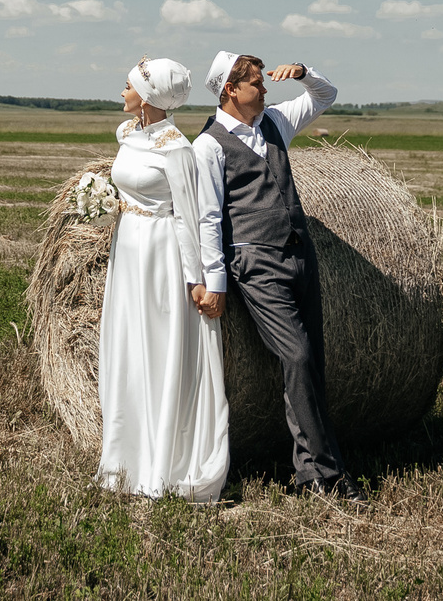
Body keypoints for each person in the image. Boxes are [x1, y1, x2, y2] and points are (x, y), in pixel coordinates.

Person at [192, 50, 364, 502]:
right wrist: (215, 283)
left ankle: (309, 474)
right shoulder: (207, 146)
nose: (265, 89)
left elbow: (326, 96)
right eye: (256, 83)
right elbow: (207, 219)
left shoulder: (274, 122)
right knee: (299, 355)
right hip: (256, 263)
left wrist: (306, 73)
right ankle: (329, 475)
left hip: (300, 254)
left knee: (312, 363)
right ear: (231, 90)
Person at [95, 56, 229, 501]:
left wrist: (199, 279)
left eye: (128, 85)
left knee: (156, 349)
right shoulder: (130, 134)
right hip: (127, 249)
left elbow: (190, 219)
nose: (122, 92)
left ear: (148, 96)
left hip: (159, 257)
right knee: (128, 347)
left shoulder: (176, 148)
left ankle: (158, 460)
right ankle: (123, 456)